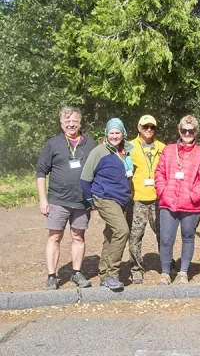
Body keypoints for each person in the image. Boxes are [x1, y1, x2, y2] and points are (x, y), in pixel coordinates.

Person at [36, 107, 97, 290]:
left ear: (80, 122)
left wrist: (95, 196)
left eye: (74, 121)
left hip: (82, 201)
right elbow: (41, 172)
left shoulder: (90, 143)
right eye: (67, 122)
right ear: (61, 124)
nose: (71, 124)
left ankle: (76, 273)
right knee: (55, 236)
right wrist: (43, 199)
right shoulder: (53, 144)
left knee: (78, 236)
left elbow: (98, 170)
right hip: (58, 200)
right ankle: (52, 276)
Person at [154, 115, 200, 285]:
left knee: (188, 237)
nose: (187, 133)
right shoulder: (168, 150)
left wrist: (192, 196)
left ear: (196, 132)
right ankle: (165, 272)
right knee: (166, 239)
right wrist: (163, 192)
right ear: (179, 130)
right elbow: (159, 173)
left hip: (191, 205)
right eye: (184, 130)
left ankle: (183, 272)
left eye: (191, 131)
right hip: (168, 202)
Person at [80, 118, 134, 291]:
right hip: (104, 197)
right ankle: (112, 275)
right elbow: (85, 178)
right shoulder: (99, 151)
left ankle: (103, 274)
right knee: (122, 230)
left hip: (121, 199)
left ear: (123, 133)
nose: (114, 135)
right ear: (106, 134)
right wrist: (91, 201)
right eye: (111, 132)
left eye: (117, 132)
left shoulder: (126, 151)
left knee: (110, 235)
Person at [127, 115, 165, 284]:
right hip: (137, 199)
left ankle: (165, 265)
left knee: (163, 235)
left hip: (158, 199)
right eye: (145, 126)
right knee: (135, 235)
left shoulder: (162, 148)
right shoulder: (129, 146)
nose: (149, 129)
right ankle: (136, 268)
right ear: (139, 127)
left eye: (152, 127)